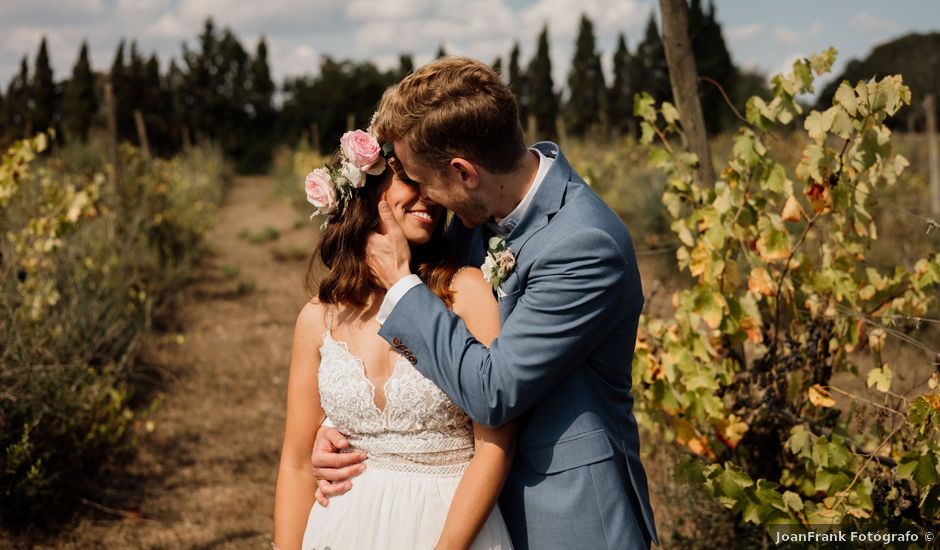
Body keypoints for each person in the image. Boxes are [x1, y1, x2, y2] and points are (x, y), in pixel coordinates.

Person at [311, 57, 659, 550]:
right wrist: (340, 427)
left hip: (566, 513)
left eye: (424, 180)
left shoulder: (584, 243)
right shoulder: (478, 216)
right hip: (471, 505)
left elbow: (493, 392)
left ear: (464, 172)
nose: (427, 199)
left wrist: (400, 283)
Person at [273, 127, 516, 550]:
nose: (428, 196)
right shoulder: (318, 317)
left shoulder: (468, 293)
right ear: (365, 185)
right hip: (344, 528)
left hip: (448, 527)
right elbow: (295, 465)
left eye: (433, 183)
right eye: (410, 179)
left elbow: (496, 445)